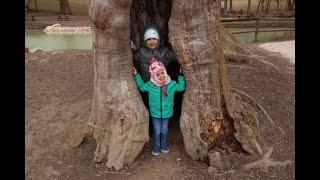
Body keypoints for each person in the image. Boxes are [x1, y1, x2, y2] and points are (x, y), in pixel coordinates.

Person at [132, 25, 179, 136]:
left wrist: (174, 43)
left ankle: (163, 129)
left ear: (158, 39)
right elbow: (132, 58)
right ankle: (151, 130)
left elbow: (176, 55)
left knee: (160, 106)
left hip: (161, 84)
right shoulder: (141, 52)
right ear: (145, 41)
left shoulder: (165, 52)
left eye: (154, 39)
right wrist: (131, 48)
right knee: (148, 106)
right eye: (148, 39)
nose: (151, 41)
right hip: (148, 84)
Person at [133, 60, 185, 156]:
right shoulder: (150, 85)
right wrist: (136, 75)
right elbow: (141, 87)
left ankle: (164, 145)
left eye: (162, 73)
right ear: (153, 76)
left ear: (165, 71)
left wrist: (181, 75)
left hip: (166, 112)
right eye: (158, 74)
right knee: (157, 130)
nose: (161, 76)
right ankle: (157, 146)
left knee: (164, 130)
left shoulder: (172, 84)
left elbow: (181, 87)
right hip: (155, 113)